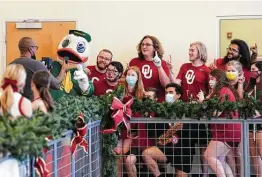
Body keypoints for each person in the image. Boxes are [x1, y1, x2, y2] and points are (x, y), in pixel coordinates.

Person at [142, 83, 197, 177]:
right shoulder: (161, 109)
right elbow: (151, 131)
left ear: (178, 95)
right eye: (166, 92)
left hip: (183, 150)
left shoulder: (187, 109)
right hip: (167, 147)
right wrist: (147, 116)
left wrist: (181, 128)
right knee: (146, 154)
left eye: (171, 92)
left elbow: (194, 132)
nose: (168, 95)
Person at [175, 41, 210, 176]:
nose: (189, 52)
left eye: (192, 50)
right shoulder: (184, 67)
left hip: (199, 112)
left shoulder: (207, 70)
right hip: (184, 109)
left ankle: (205, 174)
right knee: (185, 144)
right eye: (189, 50)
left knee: (203, 146)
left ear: (200, 52)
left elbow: (210, 91)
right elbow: (176, 83)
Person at [203, 69, 241, 177]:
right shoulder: (221, 91)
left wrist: (203, 101)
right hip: (226, 132)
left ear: (218, 79)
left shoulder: (223, 90)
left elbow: (217, 112)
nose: (209, 81)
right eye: (209, 79)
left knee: (209, 156)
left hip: (226, 132)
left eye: (212, 79)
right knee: (219, 159)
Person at [10, 37, 66, 101]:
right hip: (30, 106)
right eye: (35, 48)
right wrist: (63, 69)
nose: (36, 50)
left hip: (13, 104)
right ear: (30, 49)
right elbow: (56, 85)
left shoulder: (11, 65)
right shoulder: (36, 65)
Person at [129, 35, 170, 102]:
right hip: (138, 100)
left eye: (147, 44)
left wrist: (159, 67)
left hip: (156, 102)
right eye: (142, 44)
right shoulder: (134, 62)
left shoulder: (162, 63)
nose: (144, 47)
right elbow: (129, 83)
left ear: (155, 48)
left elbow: (166, 85)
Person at [248, 61, 262, 177]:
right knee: (253, 155)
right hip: (250, 123)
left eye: (254, 69)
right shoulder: (251, 85)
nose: (251, 72)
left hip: (260, 122)